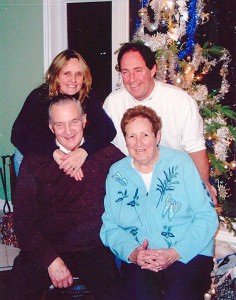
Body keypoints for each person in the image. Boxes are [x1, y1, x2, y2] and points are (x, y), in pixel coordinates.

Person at [8, 96, 125, 300]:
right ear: (51, 127)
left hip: (93, 247)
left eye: (74, 122)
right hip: (46, 245)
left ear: (84, 120)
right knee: (16, 291)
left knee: (118, 294)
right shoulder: (34, 162)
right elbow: (23, 223)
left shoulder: (107, 155)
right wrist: (51, 260)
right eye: (60, 125)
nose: (68, 131)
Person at [100, 105, 219, 300]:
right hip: (142, 258)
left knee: (178, 295)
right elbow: (110, 227)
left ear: (158, 136)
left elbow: (206, 217)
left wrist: (175, 252)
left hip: (188, 252)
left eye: (145, 135)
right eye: (131, 136)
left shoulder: (181, 164)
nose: (139, 143)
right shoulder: (117, 173)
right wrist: (133, 253)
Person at [103, 42, 217, 203]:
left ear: (153, 69)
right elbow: (107, 148)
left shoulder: (180, 101)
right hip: (133, 186)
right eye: (125, 72)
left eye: (138, 70)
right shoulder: (112, 103)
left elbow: (196, 150)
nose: (131, 79)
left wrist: (202, 187)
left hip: (174, 185)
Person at [11, 49, 116, 180]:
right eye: (67, 73)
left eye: (78, 74)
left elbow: (108, 130)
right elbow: (17, 135)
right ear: (56, 75)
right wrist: (53, 152)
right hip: (38, 156)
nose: (73, 80)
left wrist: (84, 151)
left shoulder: (87, 97)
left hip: (70, 153)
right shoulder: (38, 97)